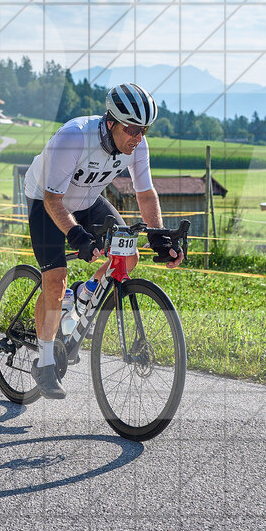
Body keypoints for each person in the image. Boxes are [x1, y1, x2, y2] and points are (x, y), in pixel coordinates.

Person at [22, 83, 184, 399]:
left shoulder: (138, 146)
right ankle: (43, 361)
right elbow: (53, 200)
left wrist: (161, 237)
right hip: (46, 201)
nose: (138, 137)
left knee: (129, 256)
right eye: (132, 128)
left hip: (88, 201)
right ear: (110, 122)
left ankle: (86, 292)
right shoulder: (74, 138)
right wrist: (75, 235)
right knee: (55, 282)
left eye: (144, 129)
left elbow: (145, 193)